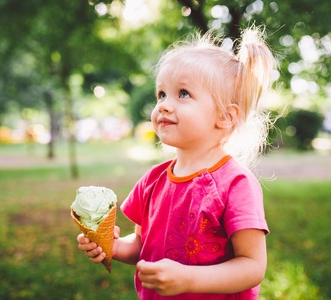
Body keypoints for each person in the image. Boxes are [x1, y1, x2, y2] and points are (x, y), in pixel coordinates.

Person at [77, 26, 276, 299]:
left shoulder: (235, 183)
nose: (164, 106)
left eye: (183, 94)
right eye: (161, 95)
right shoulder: (153, 181)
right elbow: (141, 245)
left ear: (226, 117)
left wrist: (189, 279)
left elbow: (253, 266)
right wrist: (113, 247)